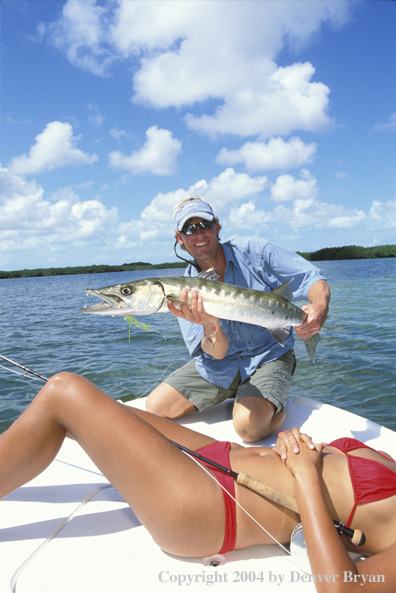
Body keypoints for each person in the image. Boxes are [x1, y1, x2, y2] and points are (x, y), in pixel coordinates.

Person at [1, 372, 396, 592]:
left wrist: (306, 472)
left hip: (209, 507)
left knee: (64, 393)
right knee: (101, 411)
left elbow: (345, 591)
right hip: (217, 455)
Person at [146, 195, 330, 441]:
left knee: (248, 429)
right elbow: (216, 353)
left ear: (217, 226)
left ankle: (275, 406)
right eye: (189, 229)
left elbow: (311, 277)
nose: (198, 233)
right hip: (221, 363)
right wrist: (210, 325)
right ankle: (239, 393)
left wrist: (319, 307)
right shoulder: (184, 290)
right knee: (155, 408)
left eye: (205, 225)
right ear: (180, 239)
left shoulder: (255, 251)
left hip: (269, 355)